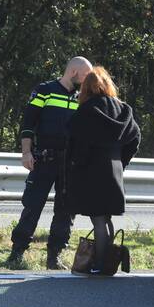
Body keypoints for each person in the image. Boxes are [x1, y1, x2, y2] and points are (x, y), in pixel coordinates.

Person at [6, 56, 93, 270]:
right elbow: (28, 123)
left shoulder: (82, 98)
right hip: (44, 159)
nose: (86, 82)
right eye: (85, 76)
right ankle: (17, 253)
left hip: (69, 164)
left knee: (66, 211)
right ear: (73, 72)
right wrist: (26, 153)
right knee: (32, 206)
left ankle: (54, 257)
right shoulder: (45, 90)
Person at [64, 66, 141, 274]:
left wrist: (76, 165)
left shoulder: (86, 112)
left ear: (86, 89)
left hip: (91, 171)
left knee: (98, 219)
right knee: (106, 218)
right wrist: (121, 161)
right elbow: (135, 138)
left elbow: (77, 145)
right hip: (114, 170)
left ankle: (99, 264)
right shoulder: (124, 110)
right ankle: (107, 262)